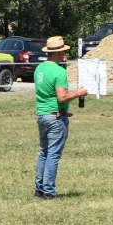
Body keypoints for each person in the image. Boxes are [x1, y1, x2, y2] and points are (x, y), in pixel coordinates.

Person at [33, 36, 87, 199]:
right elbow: (61, 97)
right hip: (55, 119)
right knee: (53, 155)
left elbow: (48, 96)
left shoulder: (39, 69)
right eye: (64, 51)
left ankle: (39, 189)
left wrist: (63, 109)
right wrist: (78, 94)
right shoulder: (59, 71)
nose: (65, 54)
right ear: (58, 52)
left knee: (43, 153)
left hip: (42, 115)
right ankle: (49, 191)